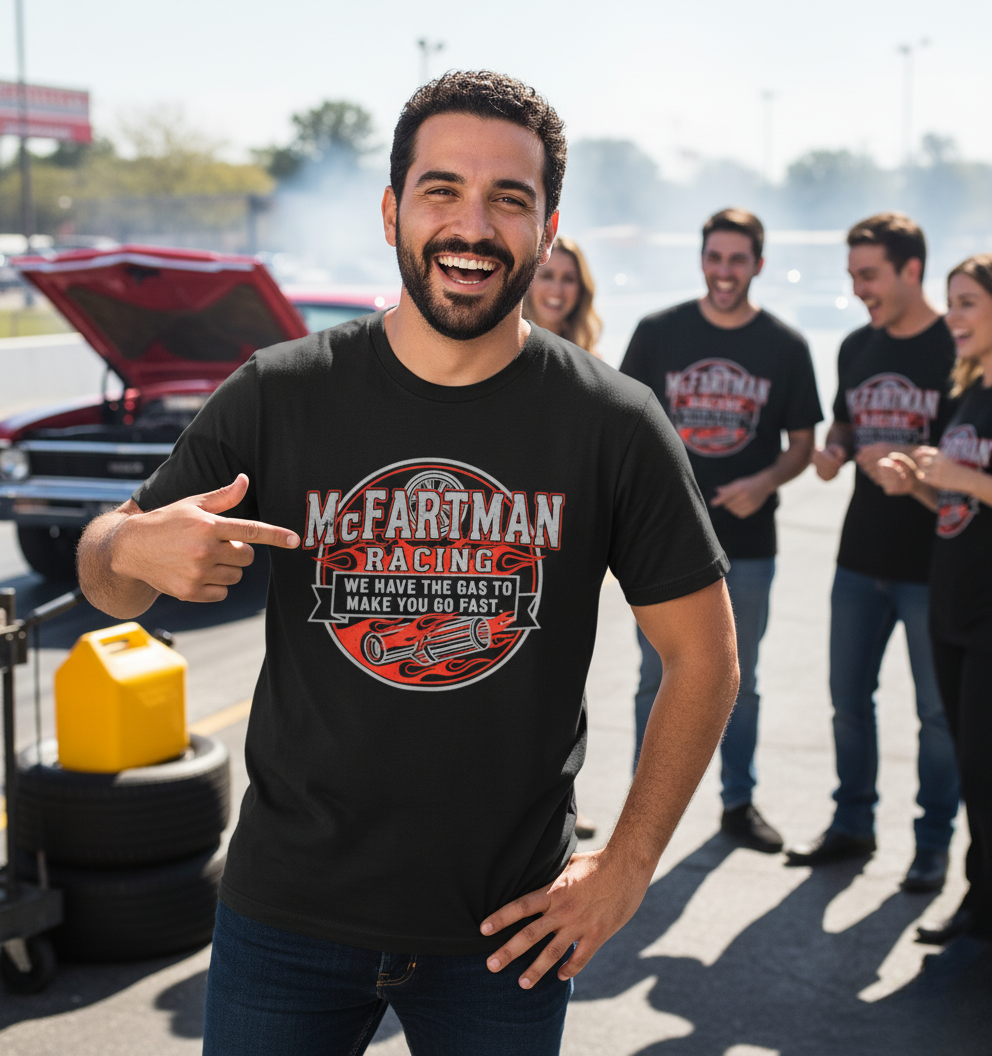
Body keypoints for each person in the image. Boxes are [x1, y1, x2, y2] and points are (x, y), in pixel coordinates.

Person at [76, 71, 738, 1056]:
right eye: (441, 191)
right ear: (391, 210)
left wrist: (627, 865)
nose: (471, 225)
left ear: (546, 228)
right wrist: (129, 546)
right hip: (284, 917)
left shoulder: (613, 424)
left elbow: (702, 658)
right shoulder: (280, 394)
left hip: (506, 937)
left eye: (507, 199)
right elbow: (104, 577)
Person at [620, 208, 822, 853]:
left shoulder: (786, 346)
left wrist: (762, 483)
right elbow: (627, 427)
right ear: (701, 259)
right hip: (664, 543)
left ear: (758, 264)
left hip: (750, 544)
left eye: (738, 260)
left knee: (742, 679)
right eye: (715, 258)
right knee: (656, 677)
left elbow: (801, 445)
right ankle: (638, 811)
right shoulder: (658, 333)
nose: (725, 272)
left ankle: (738, 802)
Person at [788, 213, 960, 894]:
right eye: (853, 275)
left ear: (911, 270)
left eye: (869, 275)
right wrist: (833, 454)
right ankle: (851, 824)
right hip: (858, 558)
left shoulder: (960, 347)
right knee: (848, 701)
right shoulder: (857, 346)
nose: (858, 288)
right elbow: (847, 420)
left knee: (937, 716)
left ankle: (933, 847)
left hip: (934, 564)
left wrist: (915, 478)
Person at [874, 253, 992, 950]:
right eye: (951, 302)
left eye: (969, 302)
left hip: (988, 616)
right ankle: (980, 898)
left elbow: (974, 483)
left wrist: (962, 476)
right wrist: (916, 484)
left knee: (981, 764)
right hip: (952, 602)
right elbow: (959, 499)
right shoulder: (969, 390)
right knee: (974, 762)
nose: (954, 316)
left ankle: (978, 901)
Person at [523, 235, 602, 355]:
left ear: (581, 289)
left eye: (568, 279)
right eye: (547, 276)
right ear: (527, 280)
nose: (557, 290)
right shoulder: (500, 350)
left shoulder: (589, 357)